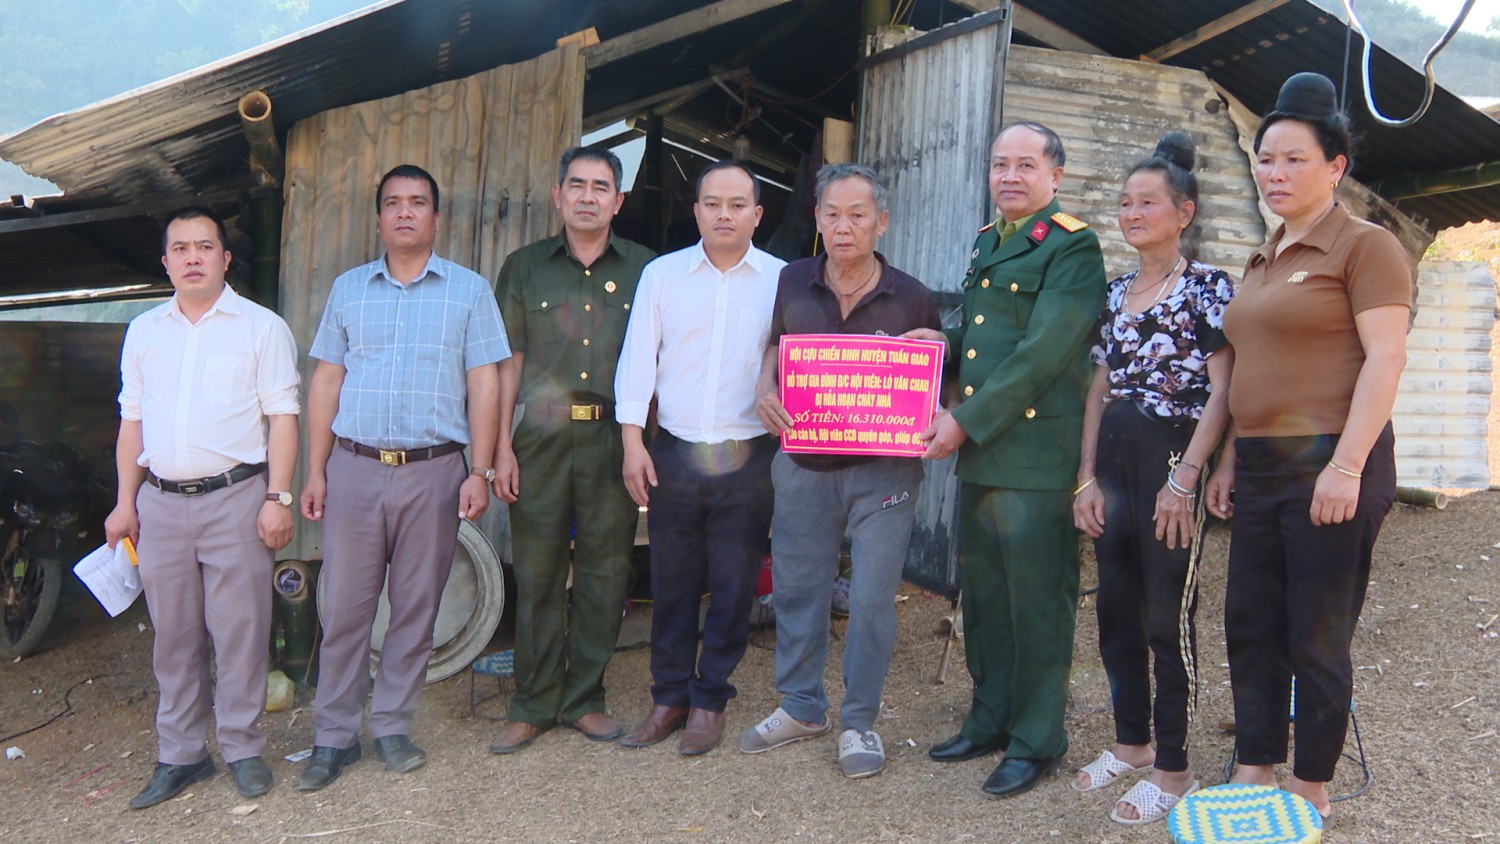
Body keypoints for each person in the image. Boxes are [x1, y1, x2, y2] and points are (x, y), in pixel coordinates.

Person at [1213, 72, 1409, 821]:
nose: (1275, 173)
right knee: (1252, 619)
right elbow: (1247, 371)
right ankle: (1257, 762)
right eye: (1266, 159)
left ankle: (1312, 784)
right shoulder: (1261, 257)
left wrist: (1348, 466)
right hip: (1260, 461)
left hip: (1335, 455)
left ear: (1336, 166)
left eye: (1295, 159)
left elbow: (1386, 360)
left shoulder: (1366, 246)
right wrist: (1230, 457)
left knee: (1317, 629)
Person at [907, 121, 1106, 798]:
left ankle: (1037, 738)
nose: (1010, 176)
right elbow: (991, 338)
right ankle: (989, 718)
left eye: (1025, 164)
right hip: (987, 458)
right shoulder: (989, 241)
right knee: (986, 599)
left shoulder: (1073, 247)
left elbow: (1043, 353)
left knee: (1039, 603)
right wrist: (941, 341)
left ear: (1055, 176)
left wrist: (962, 420)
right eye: (999, 165)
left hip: (1035, 456)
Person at [297, 164, 509, 791]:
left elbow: (485, 383)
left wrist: (482, 468)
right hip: (356, 467)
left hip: (435, 470)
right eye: (393, 203)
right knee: (343, 608)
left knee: (416, 607)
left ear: (436, 219)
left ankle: (390, 724)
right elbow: (326, 381)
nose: (405, 213)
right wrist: (315, 469)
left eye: (418, 203)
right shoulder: (348, 290)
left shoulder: (468, 291)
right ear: (381, 217)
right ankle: (333, 737)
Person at [739, 163, 940, 779]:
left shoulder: (911, 294)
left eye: (858, 214)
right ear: (817, 218)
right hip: (802, 464)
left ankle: (859, 721)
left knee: (874, 598)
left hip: (885, 474)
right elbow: (775, 344)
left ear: (881, 221)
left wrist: (937, 365)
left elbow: (934, 380)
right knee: (799, 590)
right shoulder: (792, 279)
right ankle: (801, 707)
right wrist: (765, 382)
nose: (844, 226)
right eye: (832, 213)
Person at [106, 206, 300, 809]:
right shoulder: (144, 332)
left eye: (205, 246)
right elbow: (130, 423)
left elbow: (284, 419)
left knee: (240, 629)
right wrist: (123, 502)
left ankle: (242, 748)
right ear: (165, 263)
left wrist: (278, 496)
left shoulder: (261, 327)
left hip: (237, 497)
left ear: (225, 258)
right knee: (173, 636)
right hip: (160, 503)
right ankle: (182, 755)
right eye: (181, 248)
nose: (193, 256)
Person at [1069, 133, 1235, 825]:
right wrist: (1085, 477)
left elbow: (1226, 390)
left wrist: (1189, 477)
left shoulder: (1208, 289)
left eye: (1149, 202)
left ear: (1184, 211)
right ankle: (1132, 744)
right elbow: (1098, 390)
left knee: (1168, 618)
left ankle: (1174, 768)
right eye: (1126, 202)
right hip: (1114, 464)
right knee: (1116, 613)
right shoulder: (1115, 292)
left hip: (1173, 463)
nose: (1133, 213)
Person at [614, 159, 786, 756]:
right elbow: (638, 360)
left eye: (738, 204)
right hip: (676, 454)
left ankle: (710, 697)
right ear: (696, 210)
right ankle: (668, 696)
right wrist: (633, 442)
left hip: (748, 457)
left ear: (757, 215)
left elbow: (804, 359)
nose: (724, 214)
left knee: (736, 584)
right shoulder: (663, 276)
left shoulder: (782, 280)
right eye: (713, 203)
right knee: (673, 579)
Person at [487, 147, 656, 754]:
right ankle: (532, 701)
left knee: (607, 571)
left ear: (618, 200)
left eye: (601, 186)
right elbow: (510, 362)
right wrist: (501, 446)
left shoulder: (646, 269)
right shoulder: (525, 267)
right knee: (536, 571)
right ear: (558, 195)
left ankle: (584, 697)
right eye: (577, 185)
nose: (588, 196)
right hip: (541, 436)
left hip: (615, 436)